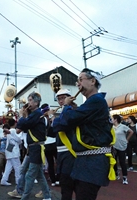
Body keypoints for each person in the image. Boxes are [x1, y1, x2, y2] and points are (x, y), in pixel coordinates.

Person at [54, 68, 114, 200]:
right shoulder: (89, 104)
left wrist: (66, 107)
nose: (78, 84)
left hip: (92, 161)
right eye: (77, 81)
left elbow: (64, 121)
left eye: (81, 79)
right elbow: (58, 125)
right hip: (84, 161)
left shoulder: (96, 101)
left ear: (93, 81)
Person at [16, 92, 51, 200]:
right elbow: (24, 128)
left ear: (36, 102)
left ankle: (24, 197)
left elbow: (23, 125)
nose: (28, 102)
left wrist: (22, 116)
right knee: (39, 175)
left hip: (36, 148)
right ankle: (47, 196)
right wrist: (24, 116)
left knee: (29, 175)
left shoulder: (37, 114)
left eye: (30, 100)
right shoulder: (33, 115)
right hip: (32, 148)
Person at [52, 88, 76, 200]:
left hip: (70, 153)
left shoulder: (71, 110)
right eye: (59, 99)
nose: (61, 101)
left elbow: (61, 124)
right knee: (65, 186)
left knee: (68, 187)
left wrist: (53, 119)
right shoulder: (64, 111)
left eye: (63, 98)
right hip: (62, 154)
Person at [0, 119, 22, 186]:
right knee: (17, 166)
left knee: (8, 166)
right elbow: (19, 139)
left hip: (9, 149)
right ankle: (18, 181)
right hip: (13, 150)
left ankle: (4, 180)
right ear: (15, 124)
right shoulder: (13, 131)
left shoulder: (10, 131)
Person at [112, 114, 133, 184]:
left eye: (112, 119)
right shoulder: (111, 127)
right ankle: (116, 173)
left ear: (115, 119)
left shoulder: (123, 126)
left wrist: (127, 140)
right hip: (114, 146)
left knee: (122, 162)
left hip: (122, 146)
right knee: (114, 162)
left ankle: (125, 177)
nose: (111, 120)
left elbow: (131, 132)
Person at [41, 103, 58, 187]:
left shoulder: (42, 119)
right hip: (53, 143)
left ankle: (53, 181)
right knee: (57, 162)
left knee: (50, 163)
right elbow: (55, 126)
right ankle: (57, 179)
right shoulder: (49, 119)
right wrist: (51, 115)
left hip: (46, 144)